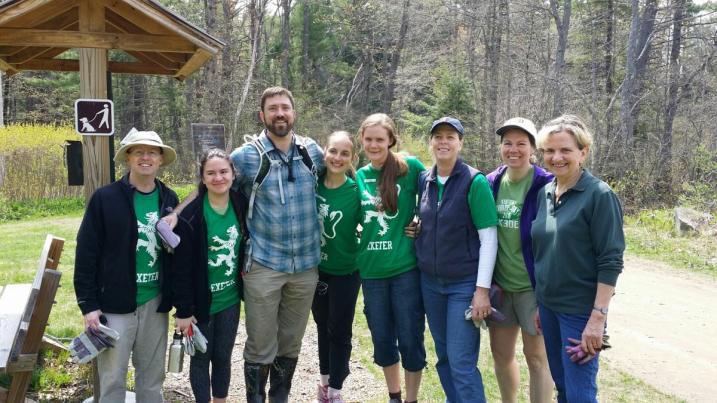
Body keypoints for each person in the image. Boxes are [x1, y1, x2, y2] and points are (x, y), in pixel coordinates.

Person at [232, 86, 324, 402]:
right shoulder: (246, 156)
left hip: (306, 267)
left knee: (291, 341)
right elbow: (212, 185)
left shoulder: (312, 152)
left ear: (293, 112)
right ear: (262, 115)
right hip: (263, 265)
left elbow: (344, 182)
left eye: (285, 107)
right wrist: (175, 216)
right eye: (273, 108)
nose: (280, 113)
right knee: (259, 342)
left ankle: (280, 396)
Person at [74, 128, 178, 402]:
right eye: (139, 152)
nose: (146, 157)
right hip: (114, 306)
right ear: (128, 158)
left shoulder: (169, 200)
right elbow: (86, 254)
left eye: (152, 152)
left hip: (155, 304)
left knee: (153, 379)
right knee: (111, 379)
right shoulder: (105, 199)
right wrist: (89, 305)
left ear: (160, 159)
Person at [532, 114, 625, 403]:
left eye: (565, 150)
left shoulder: (599, 195)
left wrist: (598, 318)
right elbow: (545, 253)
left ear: (583, 152)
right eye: (549, 150)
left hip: (580, 314)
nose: (556, 157)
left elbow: (610, 260)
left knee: (580, 394)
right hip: (549, 308)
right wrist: (540, 303)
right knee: (562, 387)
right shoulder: (545, 192)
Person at [414, 117, 498, 403]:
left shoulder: (475, 182)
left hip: (463, 285)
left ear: (460, 143)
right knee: (444, 358)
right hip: (430, 284)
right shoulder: (424, 180)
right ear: (431, 142)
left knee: (462, 362)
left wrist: (482, 290)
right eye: (438, 136)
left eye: (451, 136)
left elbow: (489, 238)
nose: (444, 142)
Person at [356, 113, 426, 403]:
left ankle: (411, 399)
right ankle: (394, 396)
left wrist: (422, 222)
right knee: (383, 340)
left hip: (404, 269)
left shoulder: (409, 168)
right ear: (361, 141)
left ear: (391, 141)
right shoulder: (359, 176)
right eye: (369, 139)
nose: (374, 144)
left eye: (379, 139)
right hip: (371, 273)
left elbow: (435, 197)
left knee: (410, 338)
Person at [486, 117, 554, 403]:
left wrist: (545, 293)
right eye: (508, 143)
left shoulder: (545, 185)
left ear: (533, 149)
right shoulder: (490, 182)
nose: (513, 150)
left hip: (531, 288)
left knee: (536, 358)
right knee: (501, 357)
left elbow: (554, 241)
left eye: (521, 144)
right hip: (500, 287)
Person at [173, 149, 248, 403]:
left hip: (229, 299)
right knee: (201, 358)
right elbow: (180, 268)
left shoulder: (240, 203)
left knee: (223, 356)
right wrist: (183, 310)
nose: (218, 178)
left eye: (224, 171)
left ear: (233, 174)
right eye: (211, 173)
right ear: (202, 179)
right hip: (199, 304)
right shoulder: (191, 214)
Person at [311, 131, 362, 403]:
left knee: (339, 329)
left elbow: (377, 221)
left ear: (352, 158)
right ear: (324, 152)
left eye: (344, 153)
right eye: (333, 151)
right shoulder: (312, 183)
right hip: (316, 270)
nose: (337, 157)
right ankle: (323, 383)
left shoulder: (356, 191)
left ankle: (336, 391)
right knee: (321, 325)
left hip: (347, 271)